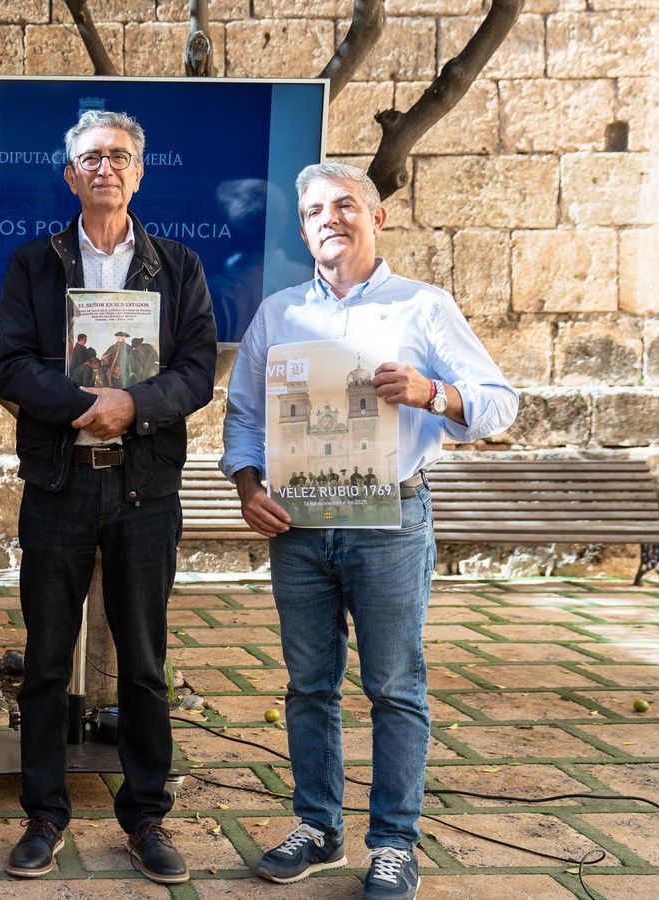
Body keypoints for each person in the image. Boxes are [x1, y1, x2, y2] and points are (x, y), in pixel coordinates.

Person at [221, 162, 517, 900]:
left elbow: (501, 403)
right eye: (316, 209)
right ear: (302, 228)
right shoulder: (278, 314)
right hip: (300, 525)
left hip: (389, 521)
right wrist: (249, 486)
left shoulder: (424, 306)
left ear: (376, 218)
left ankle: (393, 844)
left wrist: (434, 392)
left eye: (346, 205)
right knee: (309, 686)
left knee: (394, 687)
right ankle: (318, 826)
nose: (331, 218)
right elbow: (245, 419)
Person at [0, 109, 217, 885]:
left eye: (118, 156)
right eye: (89, 158)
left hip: (144, 486)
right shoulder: (35, 263)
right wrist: (80, 403)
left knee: (145, 665)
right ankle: (44, 815)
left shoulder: (177, 266)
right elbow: (12, 365)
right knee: (48, 662)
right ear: (69, 174)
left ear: (139, 171)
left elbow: (196, 369)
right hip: (59, 484)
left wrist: (136, 406)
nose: (104, 168)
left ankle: (146, 815)